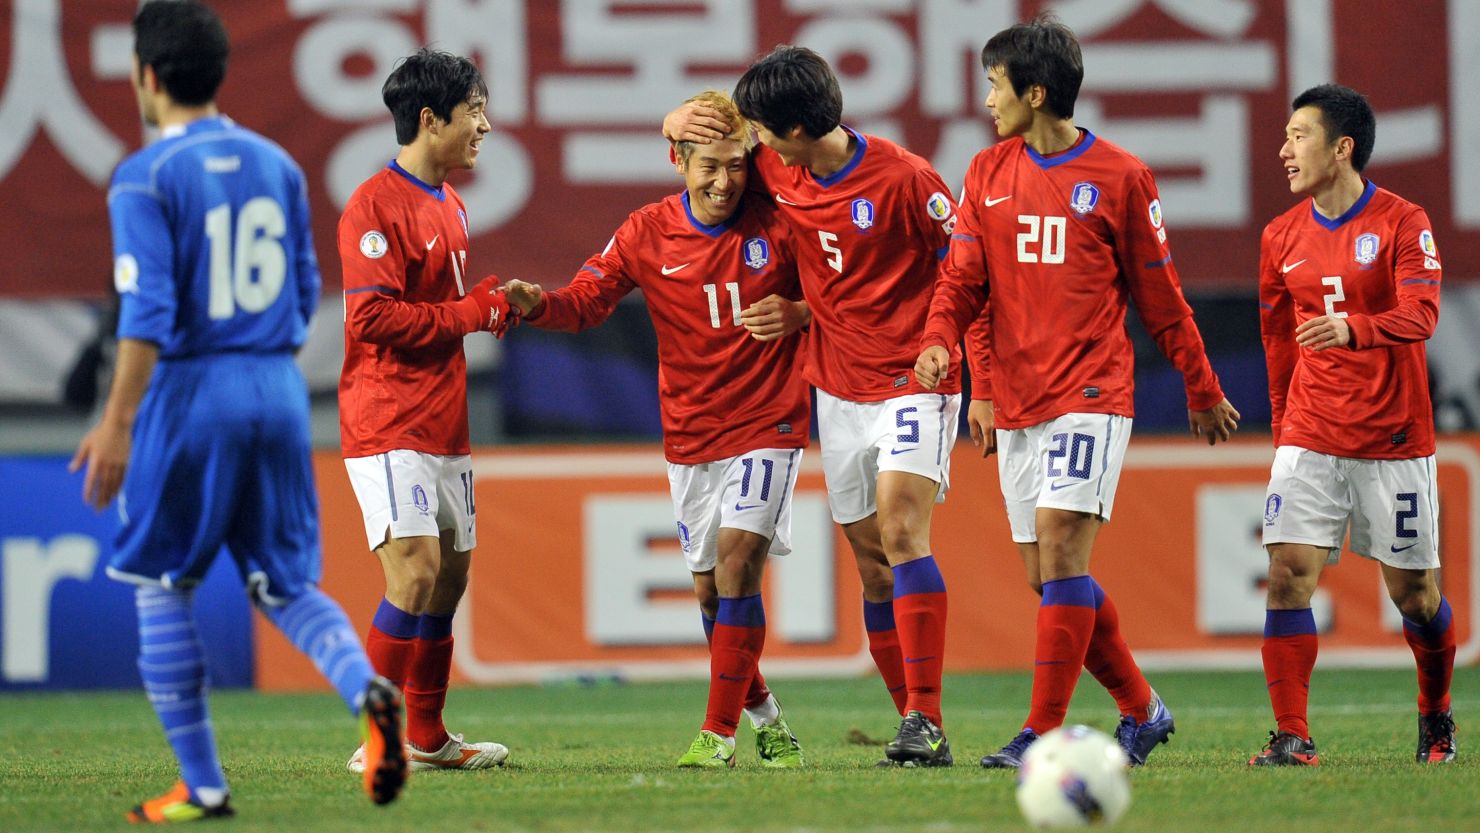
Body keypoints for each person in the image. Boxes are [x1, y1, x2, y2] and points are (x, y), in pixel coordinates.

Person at [69, 0, 407, 820]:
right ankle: (367, 690)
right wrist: (257, 364)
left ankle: (203, 784)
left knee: (159, 581)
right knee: (287, 583)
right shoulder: (277, 165)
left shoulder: (145, 175)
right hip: (275, 386)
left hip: (189, 391)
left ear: (146, 77)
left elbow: (145, 314)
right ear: (219, 71)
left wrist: (115, 421)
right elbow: (301, 294)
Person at [913, 15, 1241, 769]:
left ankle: (1043, 731)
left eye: (996, 85)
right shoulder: (986, 172)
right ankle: (1142, 709)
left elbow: (1161, 296)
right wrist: (943, 346)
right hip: (1022, 399)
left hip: (1093, 388)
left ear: (1035, 91)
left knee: (1062, 548)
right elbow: (964, 282)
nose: (987, 99)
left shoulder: (1122, 177)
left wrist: (1201, 383)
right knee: (1048, 575)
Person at [665, 46, 961, 767]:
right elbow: (711, 152)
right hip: (836, 385)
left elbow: (964, 269)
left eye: (763, 132)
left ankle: (927, 715)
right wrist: (801, 310)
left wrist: (953, 350)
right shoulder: (774, 166)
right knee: (873, 564)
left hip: (914, 379)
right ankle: (915, 725)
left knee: (900, 527)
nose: (753, 147)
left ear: (796, 128)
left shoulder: (908, 179)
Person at [503, 91, 809, 769]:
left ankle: (717, 734)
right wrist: (535, 307)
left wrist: (802, 311)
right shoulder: (645, 232)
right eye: (708, 166)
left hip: (771, 419)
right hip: (692, 433)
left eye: (736, 165)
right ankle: (765, 715)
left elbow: (845, 287)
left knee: (737, 566)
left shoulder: (782, 219)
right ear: (677, 161)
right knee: (709, 590)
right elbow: (584, 304)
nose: (723, 181)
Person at [1250, 84, 1455, 766]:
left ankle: (1436, 715)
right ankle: (1292, 735)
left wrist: (1354, 327)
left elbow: (1422, 315)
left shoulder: (1403, 221)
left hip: (1392, 437)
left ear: (1342, 148)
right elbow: (1279, 340)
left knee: (1416, 595)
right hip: (1311, 430)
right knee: (1286, 572)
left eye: (1298, 135)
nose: (1284, 150)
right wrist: (1284, 428)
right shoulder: (1280, 236)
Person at [338, 47, 516, 775]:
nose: (486, 124)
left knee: (450, 575)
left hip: (446, 422)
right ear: (429, 118)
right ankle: (378, 738)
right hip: (388, 420)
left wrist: (483, 310)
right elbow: (371, 320)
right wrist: (471, 313)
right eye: (475, 110)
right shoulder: (373, 205)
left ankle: (429, 736)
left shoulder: (452, 204)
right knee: (412, 572)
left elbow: (444, 313)